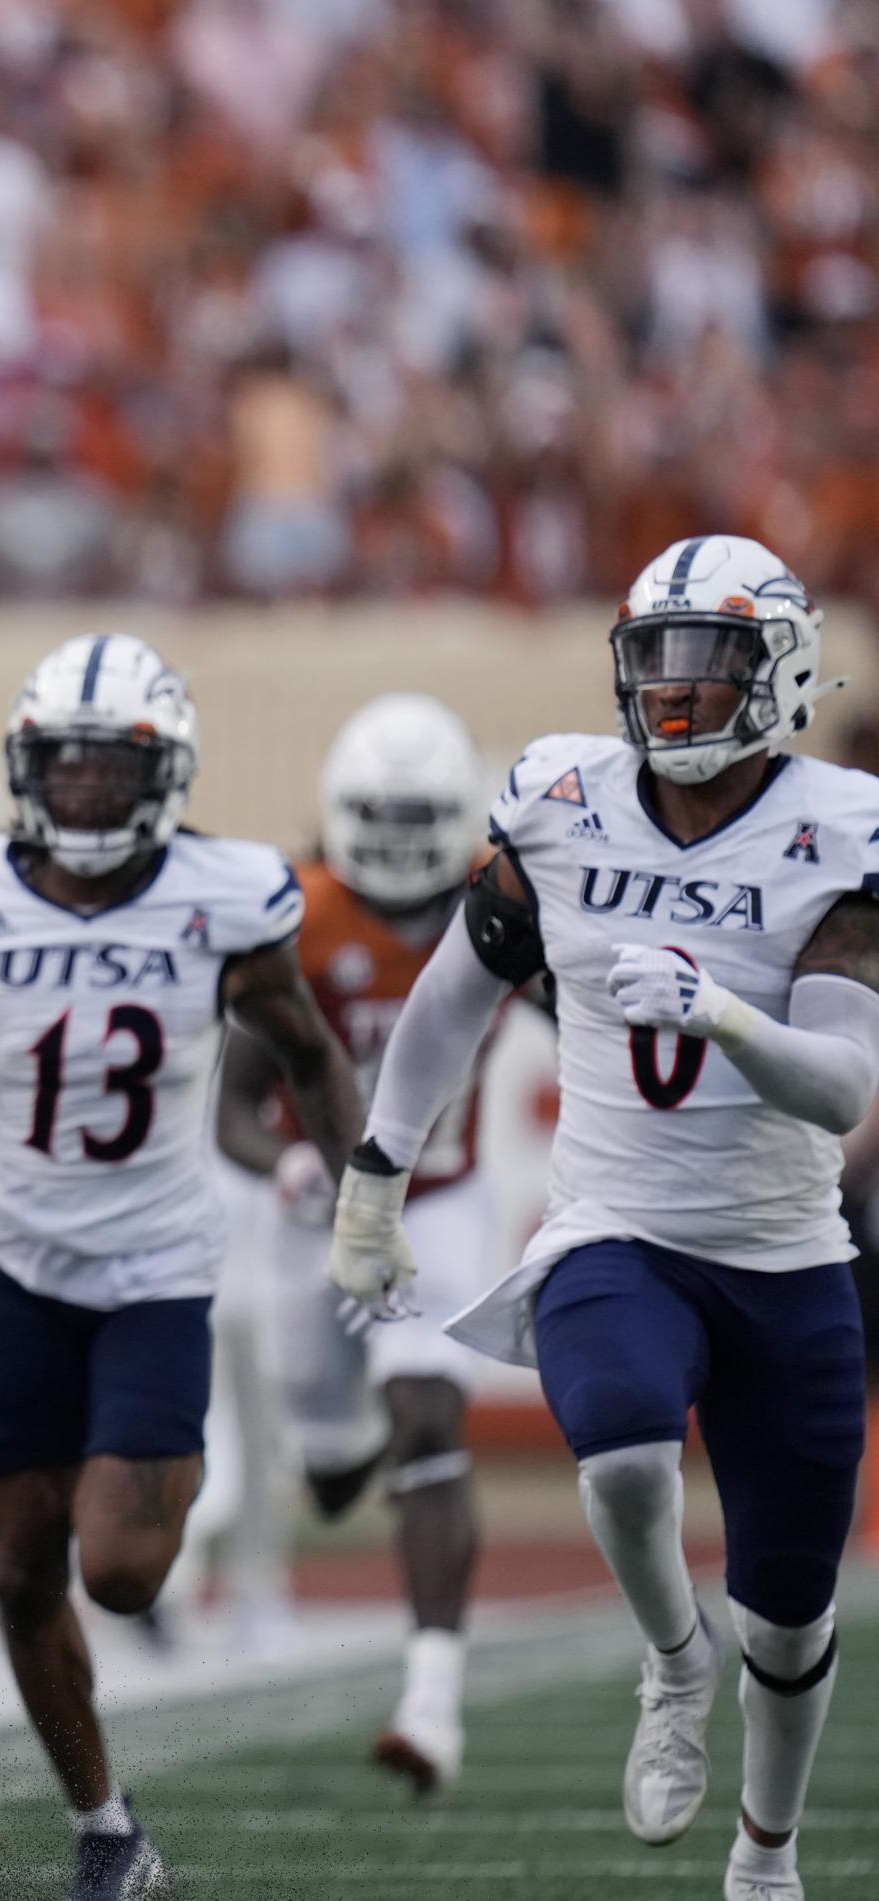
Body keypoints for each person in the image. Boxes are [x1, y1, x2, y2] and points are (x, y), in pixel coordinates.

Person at [330, 536, 873, 1901]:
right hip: (614, 1228)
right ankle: (673, 1661)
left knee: (795, 1613)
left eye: (711, 662)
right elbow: (451, 995)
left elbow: (844, 1089)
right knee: (623, 1449)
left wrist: (731, 1015)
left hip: (784, 1253)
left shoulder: (836, 829)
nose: (678, 692)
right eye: (659, 660)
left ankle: (768, 1850)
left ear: (782, 669)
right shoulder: (564, 801)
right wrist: (374, 1175)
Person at [0, 633, 364, 1901]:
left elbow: (307, 1049)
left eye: (105, 767)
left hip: (154, 1265)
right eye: (60, 766)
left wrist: (371, 1199)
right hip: (14, 1260)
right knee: (20, 1567)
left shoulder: (225, 894)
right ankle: (107, 1828)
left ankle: (125, 1493)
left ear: (162, 774)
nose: (80, 790)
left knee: (121, 1573)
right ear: (28, 768)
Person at [215, 693, 499, 1796]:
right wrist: (284, 1164)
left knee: (428, 1410)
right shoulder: (304, 914)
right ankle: (359, 1431)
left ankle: (431, 1697)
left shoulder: (499, 898)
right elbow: (235, 1107)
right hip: (314, 1217)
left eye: (412, 812)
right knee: (333, 1466)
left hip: (438, 1197)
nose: (391, 836)